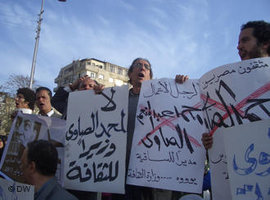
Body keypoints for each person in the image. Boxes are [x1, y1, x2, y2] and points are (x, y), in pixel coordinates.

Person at [112, 58, 188, 200]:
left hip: (154, 175)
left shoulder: (163, 98)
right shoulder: (117, 100)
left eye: (147, 67)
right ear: (130, 74)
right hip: (122, 174)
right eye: (138, 65)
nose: (143, 68)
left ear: (150, 76)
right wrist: (95, 95)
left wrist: (182, 87)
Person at [202, 20, 270, 150]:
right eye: (238, 43)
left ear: (265, 43)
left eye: (245, 40)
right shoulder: (231, 89)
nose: (238, 47)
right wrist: (213, 140)